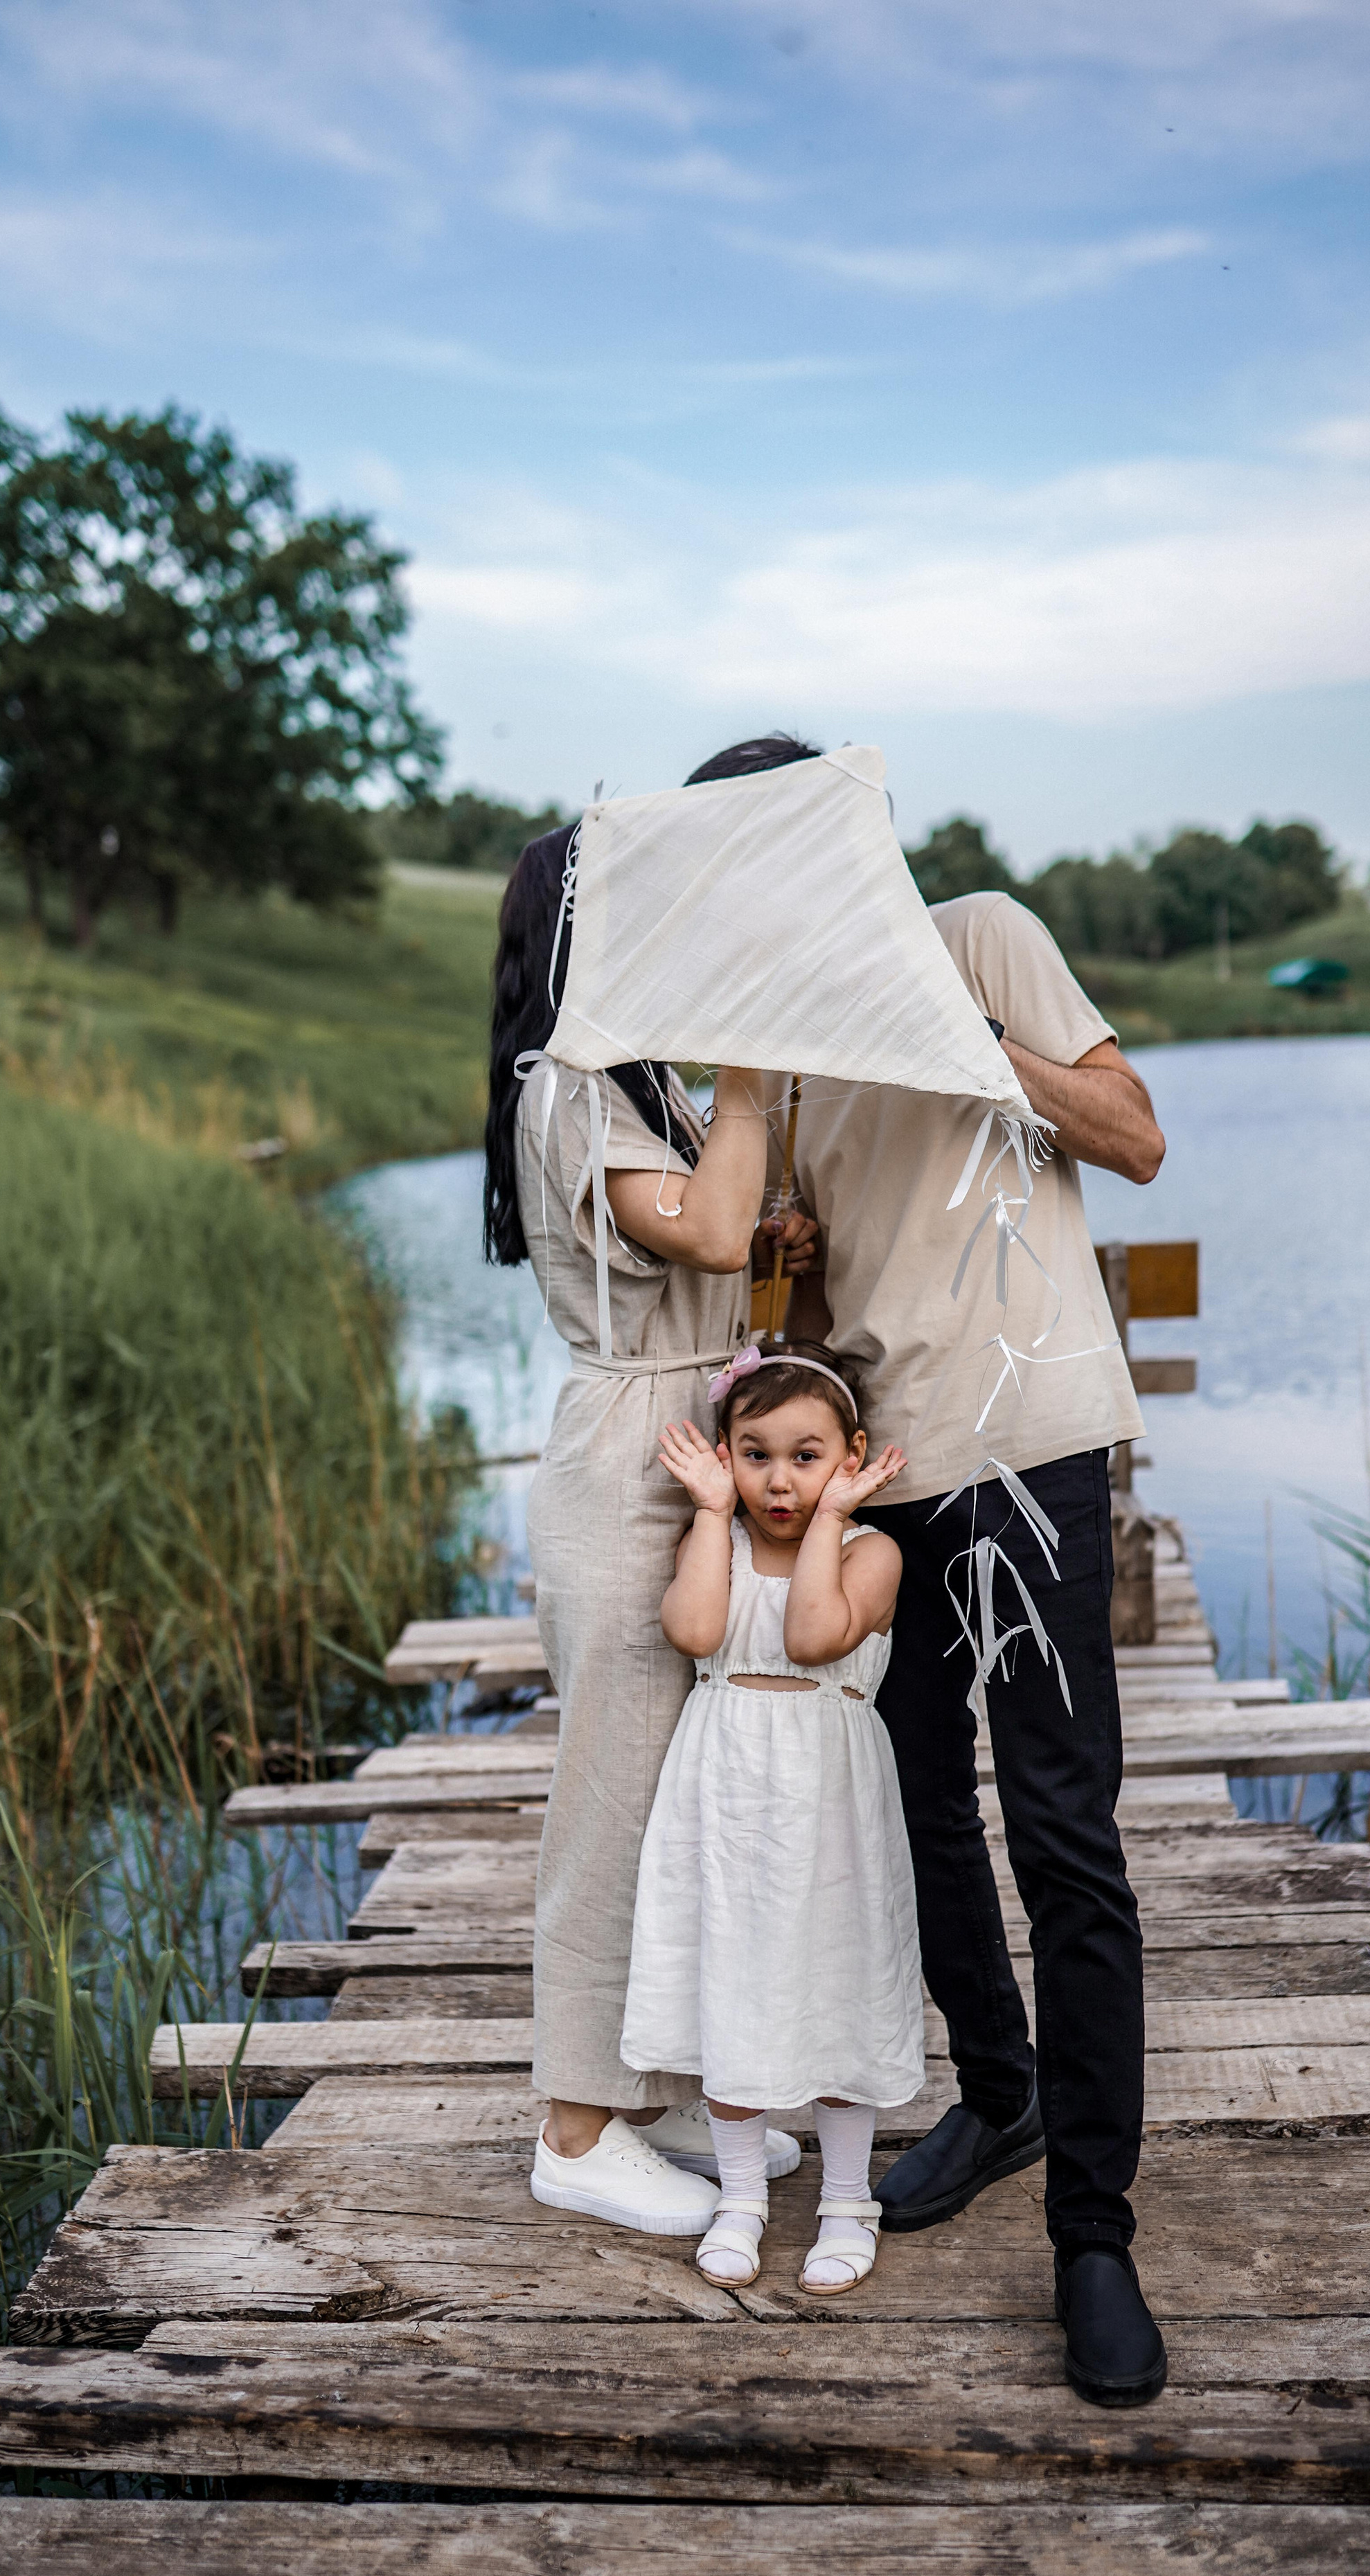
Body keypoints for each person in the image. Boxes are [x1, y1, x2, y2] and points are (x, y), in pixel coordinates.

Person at [691, 733, 1170, 2408]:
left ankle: (1092, 2237)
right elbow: (822, 1322)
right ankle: (998, 2087)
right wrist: (786, 1278)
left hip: (1031, 1447)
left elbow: (1133, 1137)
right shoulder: (775, 1064)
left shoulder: (979, 939)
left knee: (1060, 1827)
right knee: (910, 1803)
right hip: (890, 1479)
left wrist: (959, 1038)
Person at [483, 825, 815, 2231]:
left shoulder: (639, 1082)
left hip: (686, 1432)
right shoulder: (565, 1083)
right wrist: (749, 1060)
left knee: (685, 1794)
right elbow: (704, 1231)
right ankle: (572, 2130)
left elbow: (718, 1240)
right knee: (614, 1804)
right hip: (627, 1463)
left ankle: (655, 2083)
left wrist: (764, 1244)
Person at [620, 1345, 921, 2292]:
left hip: (830, 1795)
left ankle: (847, 2200)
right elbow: (695, 1632)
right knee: (733, 1983)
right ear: (725, 1456)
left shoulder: (872, 1552)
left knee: (838, 1982)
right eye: (755, 1456)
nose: (780, 1481)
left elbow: (813, 1635)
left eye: (806, 1456)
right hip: (727, 1793)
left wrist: (832, 1519)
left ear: (853, 1456)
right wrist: (712, 1514)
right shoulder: (715, 1538)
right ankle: (742, 2197)